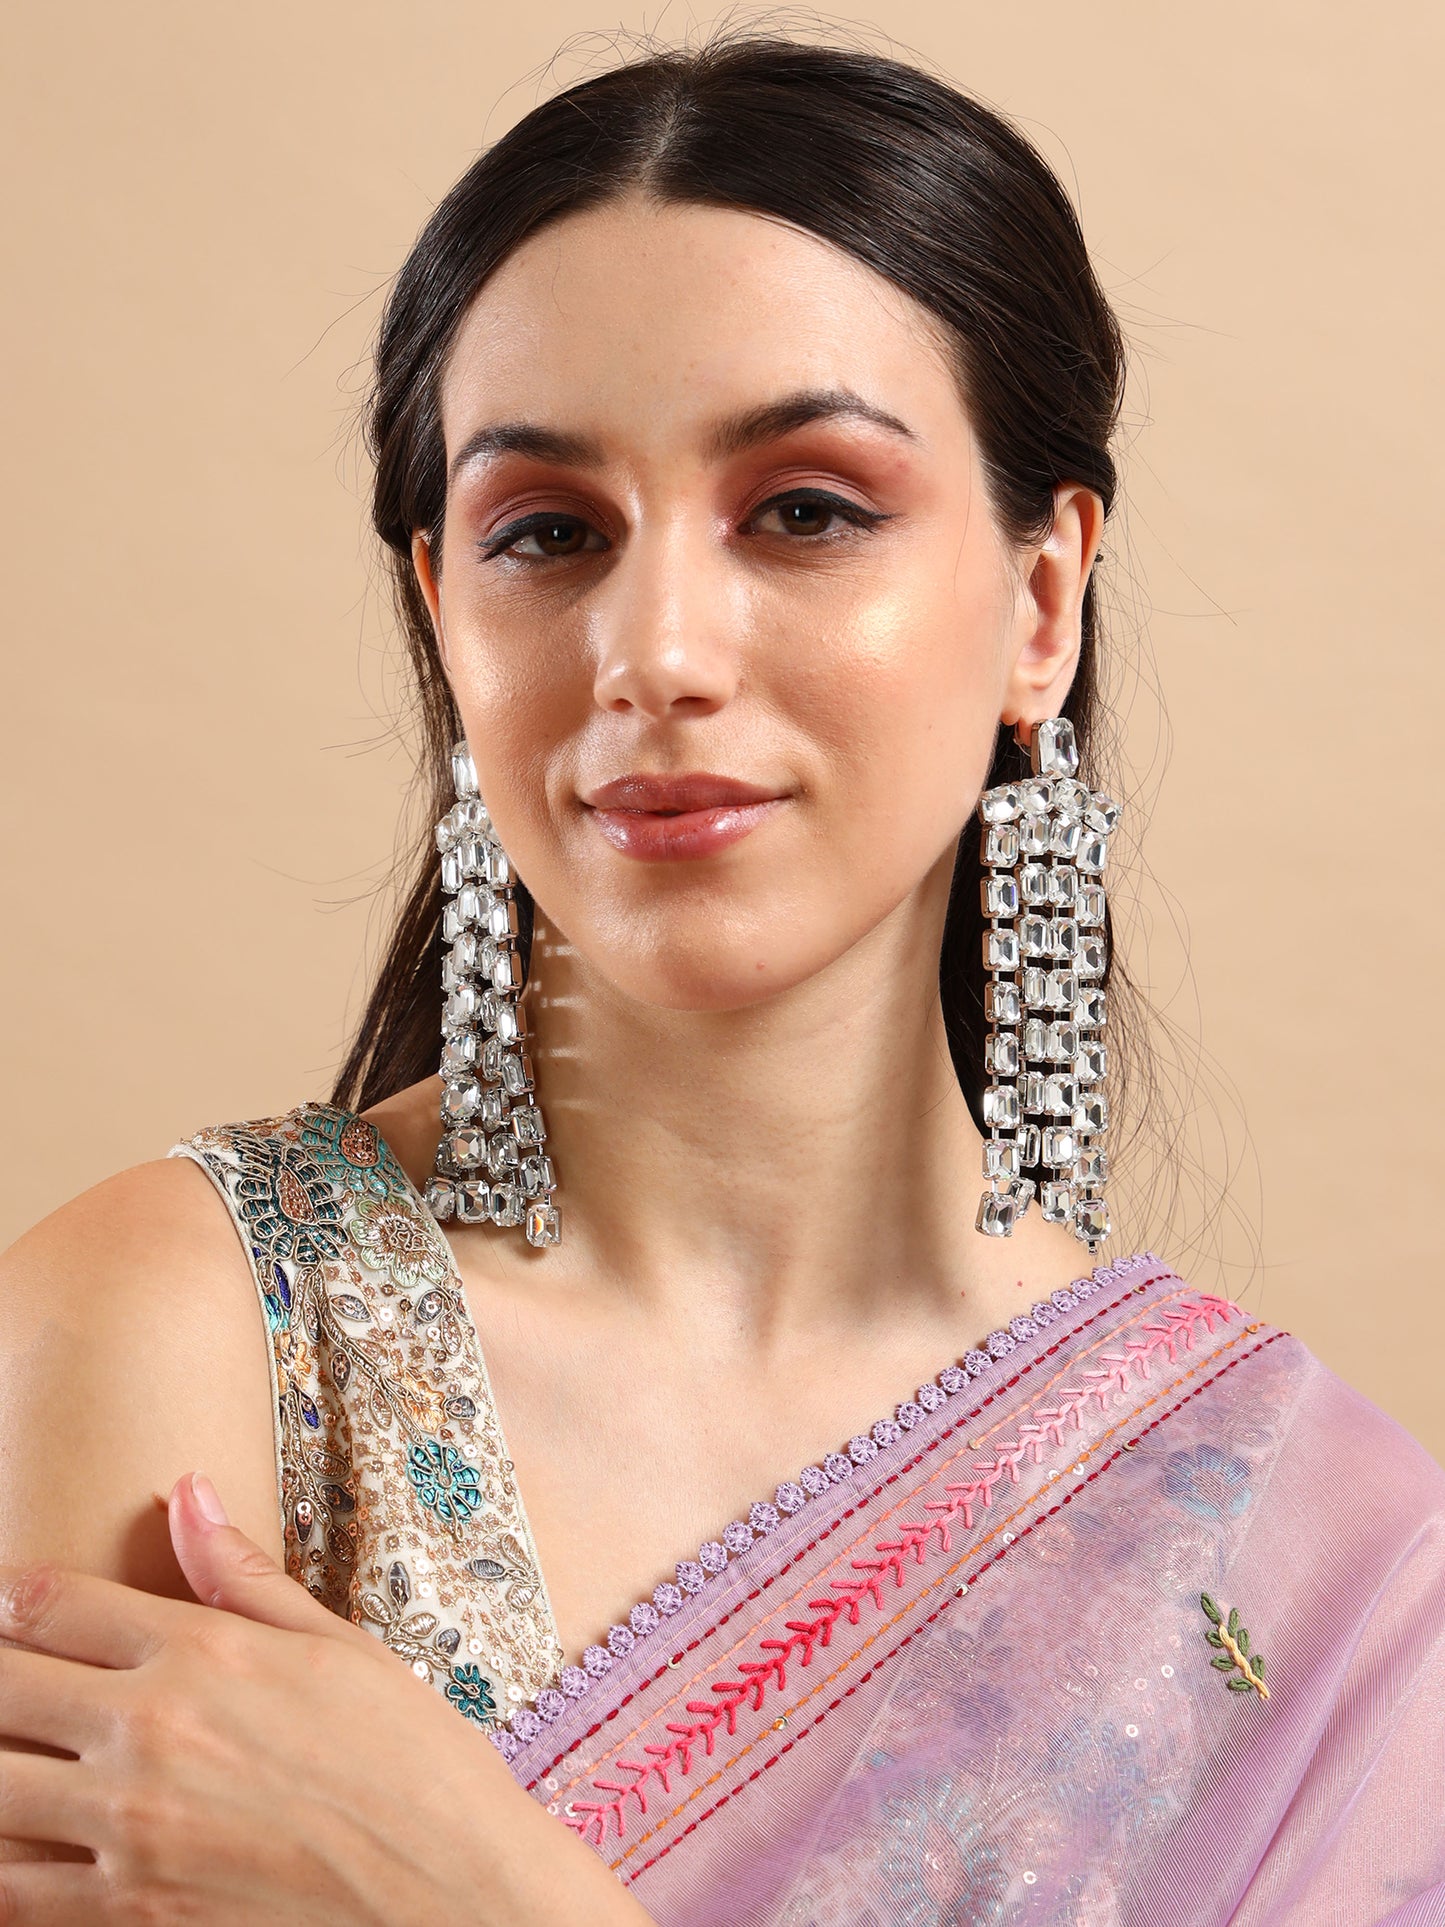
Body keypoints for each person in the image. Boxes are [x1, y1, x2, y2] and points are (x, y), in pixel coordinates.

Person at [1, 35, 1441, 1926]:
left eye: (805, 510)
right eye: (548, 535)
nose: (654, 649)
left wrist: (479, 1898)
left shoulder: (1317, 1558)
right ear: (444, 611)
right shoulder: (173, 1331)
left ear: (1038, 602)